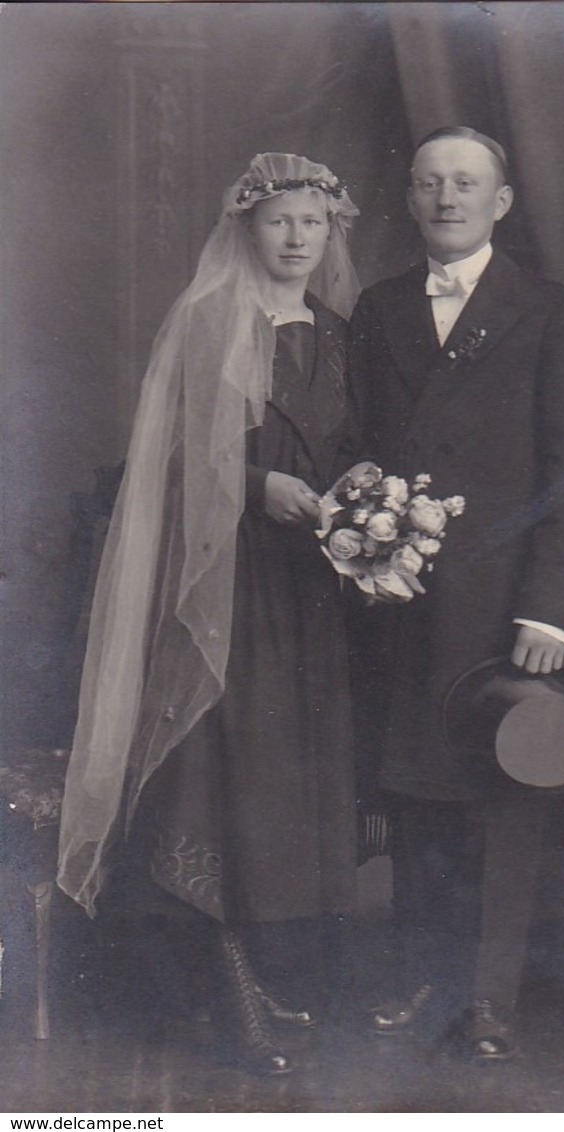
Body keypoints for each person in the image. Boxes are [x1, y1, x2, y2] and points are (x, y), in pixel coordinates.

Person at [57, 153, 361, 1076]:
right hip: (226, 587)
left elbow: (355, 446)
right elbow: (160, 464)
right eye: (279, 222)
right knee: (222, 775)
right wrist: (257, 483)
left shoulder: (340, 333)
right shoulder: (209, 320)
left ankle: (258, 977)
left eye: (314, 222)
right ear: (244, 230)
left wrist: (356, 499)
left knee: (282, 789)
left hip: (313, 595)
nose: (298, 238)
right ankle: (224, 994)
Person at [347, 126, 564, 1060]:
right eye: (429, 183)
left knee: (504, 791)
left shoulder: (547, 309)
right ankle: (423, 972)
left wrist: (552, 608)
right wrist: (366, 555)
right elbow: (362, 453)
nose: (446, 198)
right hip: (405, 596)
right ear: (411, 198)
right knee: (416, 788)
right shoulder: (377, 309)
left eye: (466, 184)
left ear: (501, 202)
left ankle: (489, 998)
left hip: (505, 608)